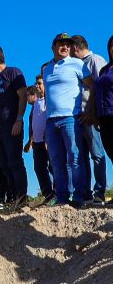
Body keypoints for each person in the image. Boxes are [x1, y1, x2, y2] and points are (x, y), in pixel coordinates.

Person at [42, 33, 89, 207]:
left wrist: (89, 110)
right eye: (61, 44)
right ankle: (61, 197)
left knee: (75, 158)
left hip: (70, 118)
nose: (65, 47)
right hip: (51, 120)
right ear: (53, 47)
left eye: (67, 45)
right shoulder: (47, 68)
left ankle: (79, 197)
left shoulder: (77, 63)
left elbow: (92, 85)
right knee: (56, 161)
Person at [0, 46, 29, 209]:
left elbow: (23, 96)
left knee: (15, 162)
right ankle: (11, 199)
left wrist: (19, 119)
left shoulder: (14, 72)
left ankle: (22, 200)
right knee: (2, 165)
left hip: (13, 125)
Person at [72, 34, 108, 206]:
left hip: (90, 116)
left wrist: (92, 112)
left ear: (76, 48)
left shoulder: (94, 60)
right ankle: (85, 193)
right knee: (81, 156)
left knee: (97, 154)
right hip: (79, 116)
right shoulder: (78, 64)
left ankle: (99, 192)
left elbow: (99, 86)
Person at [23, 81, 54, 202]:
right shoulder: (35, 105)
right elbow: (34, 124)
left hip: (48, 141)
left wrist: (48, 138)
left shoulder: (48, 102)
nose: (37, 86)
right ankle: (48, 194)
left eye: (39, 83)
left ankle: (60, 192)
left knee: (53, 167)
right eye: (36, 84)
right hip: (37, 142)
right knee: (39, 167)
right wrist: (30, 141)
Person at [90, 36, 113, 188]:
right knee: (112, 153)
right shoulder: (105, 69)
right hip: (104, 118)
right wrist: (95, 114)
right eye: (112, 46)